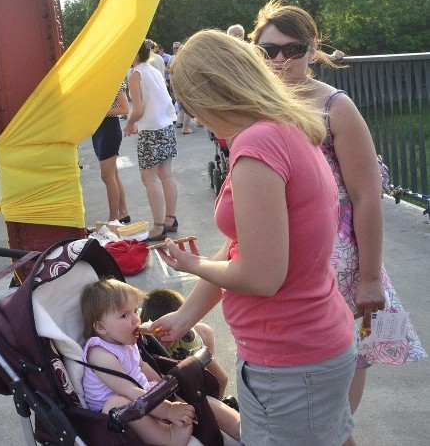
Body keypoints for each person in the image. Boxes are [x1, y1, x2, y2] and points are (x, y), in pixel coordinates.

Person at [152, 29, 357, 445]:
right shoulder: (286, 127)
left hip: (288, 358)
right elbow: (245, 244)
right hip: (315, 345)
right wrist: (185, 316)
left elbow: (262, 275)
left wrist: (192, 265)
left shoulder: (257, 145)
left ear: (205, 95)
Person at [250, 0, 426, 418]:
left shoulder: (335, 107)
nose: (279, 60)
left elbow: (366, 197)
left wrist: (369, 278)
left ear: (312, 52)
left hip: (338, 255)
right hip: (283, 251)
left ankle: (338, 429)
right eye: (267, 50)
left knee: (349, 349)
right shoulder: (256, 102)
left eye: (292, 50)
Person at [80, 278, 240, 446]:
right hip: (117, 413)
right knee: (118, 404)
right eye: (124, 315)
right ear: (101, 327)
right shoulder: (99, 355)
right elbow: (129, 391)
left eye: (135, 310)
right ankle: (166, 436)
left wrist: (167, 390)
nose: (136, 319)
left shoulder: (125, 341)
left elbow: (142, 366)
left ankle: (238, 426)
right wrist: (168, 409)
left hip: (141, 395)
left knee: (189, 393)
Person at [123, 41, 179, 241]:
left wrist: (129, 124)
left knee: (149, 179)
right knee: (166, 175)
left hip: (151, 131)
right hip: (166, 126)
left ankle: (158, 226)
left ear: (135, 55)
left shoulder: (134, 74)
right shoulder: (153, 70)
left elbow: (137, 109)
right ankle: (170, 219)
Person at [140, 288, 228, 399]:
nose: (164, 338)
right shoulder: (139, 327)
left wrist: (214, 406)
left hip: (185, 350)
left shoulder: (188, 338)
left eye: (168, 332)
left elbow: (220, 378)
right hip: (158, 364)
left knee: (205, 332)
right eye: (158, 335)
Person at [92, 82, 130, 223]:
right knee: (112, 175)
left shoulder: (114, 80)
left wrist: (100, 110)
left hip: (108, 129)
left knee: (108, 176)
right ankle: (123, 213)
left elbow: (125, 108)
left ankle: (113, 219)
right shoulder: (96, 80)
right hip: (99, 130)